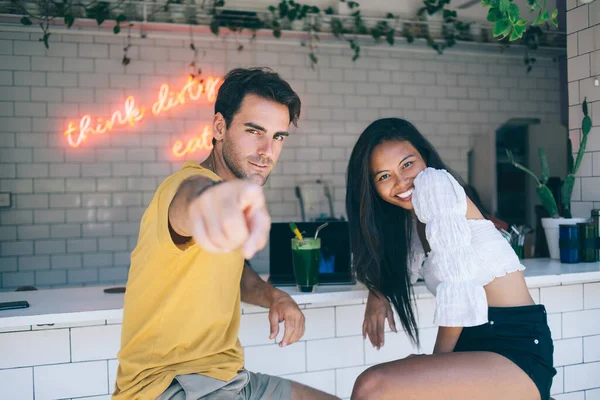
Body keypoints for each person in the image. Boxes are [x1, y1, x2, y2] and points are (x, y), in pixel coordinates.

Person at [113, 68, 338, 400]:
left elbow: (236, 273)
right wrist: (217, 198)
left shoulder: (231, 198)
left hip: (232, 379)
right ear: (219, 127)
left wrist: (275, 297)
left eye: (278, 136)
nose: (267, 151)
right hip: (171, 387)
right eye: (254, 131)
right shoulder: (183, 188)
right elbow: (195, 200)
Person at [345, 118, 556, 400]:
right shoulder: (415, 218)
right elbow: (406, 264)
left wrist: (434, 361)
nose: (400, 181)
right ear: (372, 189)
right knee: (375, 387)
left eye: (407, 164)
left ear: (425, 158)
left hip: (514, 348)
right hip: (478, 348)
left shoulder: (436, 186)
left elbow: (458, 292)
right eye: (384, 176)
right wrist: (378, 294)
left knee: (372, 387)